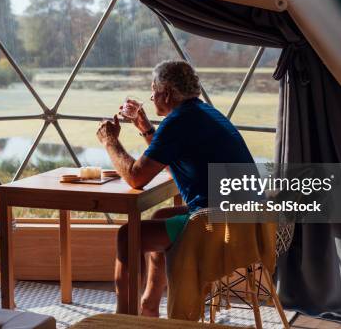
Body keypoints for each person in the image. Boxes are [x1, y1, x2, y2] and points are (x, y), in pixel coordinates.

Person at [96, 60, 253, 316]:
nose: (151, 96)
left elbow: (136, 177)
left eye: (153, 90)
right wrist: (146, 128)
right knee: (160, 218)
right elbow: (174, 164)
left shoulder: (178, 122)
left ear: (166, 93)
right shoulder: (204, 113)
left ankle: (124, 320)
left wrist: (109, 140)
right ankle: (149, 308)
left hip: (216, 227)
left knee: (127, 236)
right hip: (246, 224)